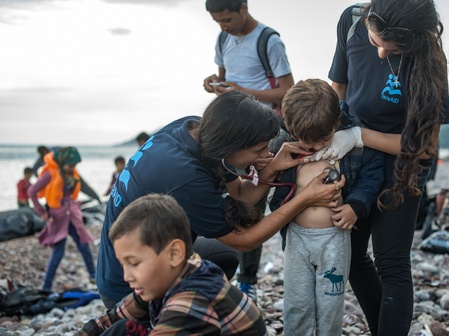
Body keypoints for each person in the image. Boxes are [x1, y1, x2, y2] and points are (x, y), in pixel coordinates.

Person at [96, 91, 340, 309]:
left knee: (223, 256)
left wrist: (272, 167)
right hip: (129, 284)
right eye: (259, 150)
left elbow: (240, 194)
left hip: (144, 256)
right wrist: (305, 198)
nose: (266, 154)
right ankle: (169, 309)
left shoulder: (194, 129)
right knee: (231, 298)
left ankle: (190, 300)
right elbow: (244, 240)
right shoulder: (186, 176)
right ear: (232, 145)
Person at [318, 1, 449, 334]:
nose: (380, 55)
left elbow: (426, 147)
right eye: (376, 42)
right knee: (351, 259)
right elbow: (339, 90)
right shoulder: (350, 20)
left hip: (403, 163)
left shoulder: (428, 57)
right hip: (356, 158)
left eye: (392, 49)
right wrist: (329, 138)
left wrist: (360, 136)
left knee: (391, 263)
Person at [268, 79, 384, 336]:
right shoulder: (282, 144)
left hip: (335, 238)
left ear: (336, 124)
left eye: (323, 139)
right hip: (297, 238)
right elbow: (267, 177)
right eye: (307, 142)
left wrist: (355, 205)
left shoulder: (354, 144)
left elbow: (372, 176)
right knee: (296, 303)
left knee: (331, 303)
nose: (317, 147)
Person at [203, 0, 295, 299]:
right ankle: (224, 270)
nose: (223, 27)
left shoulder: (269, 41)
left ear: (244, 7)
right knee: (231, 200)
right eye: (217, 22)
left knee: (252, 207)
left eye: (227, 20)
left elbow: (288, 90)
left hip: (264, 133)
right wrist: (215, 84)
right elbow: (224, 79)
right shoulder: (222, 38)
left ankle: (248, 281)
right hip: (232, 132)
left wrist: (243, 92)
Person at [76, 194, 267, 336]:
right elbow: (112, 319)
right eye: (124, 265)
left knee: (123, 331)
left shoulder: (192, 298)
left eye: (134, 263)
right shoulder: (173, 274)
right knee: (121, 329)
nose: (127, 276)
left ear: (175, 253)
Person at [27, 147, 96, 292]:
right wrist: (41, 212)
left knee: (84, 245)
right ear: (63, 161)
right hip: (57, 218)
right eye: (71, 165)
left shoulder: (71, 173)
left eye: (75, 165)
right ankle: (46, 286)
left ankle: (94, 276)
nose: (73, 168)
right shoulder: (50, 173)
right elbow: (31, 191)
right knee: (58, 252)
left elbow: (83, 187)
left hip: (72, 215)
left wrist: (97, 198)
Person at [32, 145, 102, 204]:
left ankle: (97, 199)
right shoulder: (43, 159)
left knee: (82, 185)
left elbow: (68, 154)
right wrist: (40, 179)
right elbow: (34, 169)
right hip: (58, 180)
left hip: (68, 172)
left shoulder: (55, 151)